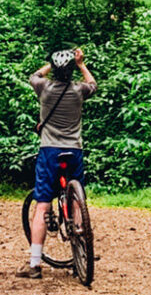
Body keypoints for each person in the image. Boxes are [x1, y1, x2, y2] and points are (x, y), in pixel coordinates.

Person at [18, 47, 97, 279]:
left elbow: (34, 76)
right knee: (76, 202)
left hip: (50, 151)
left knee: (42, 204)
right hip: (74, 151)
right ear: (71, 70)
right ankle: (80, 237)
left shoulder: (44, 88)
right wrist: (81, 64)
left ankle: (34, 265)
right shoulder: (79, 90)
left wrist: (51, 64)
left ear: (55, 70)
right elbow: (93, 84)